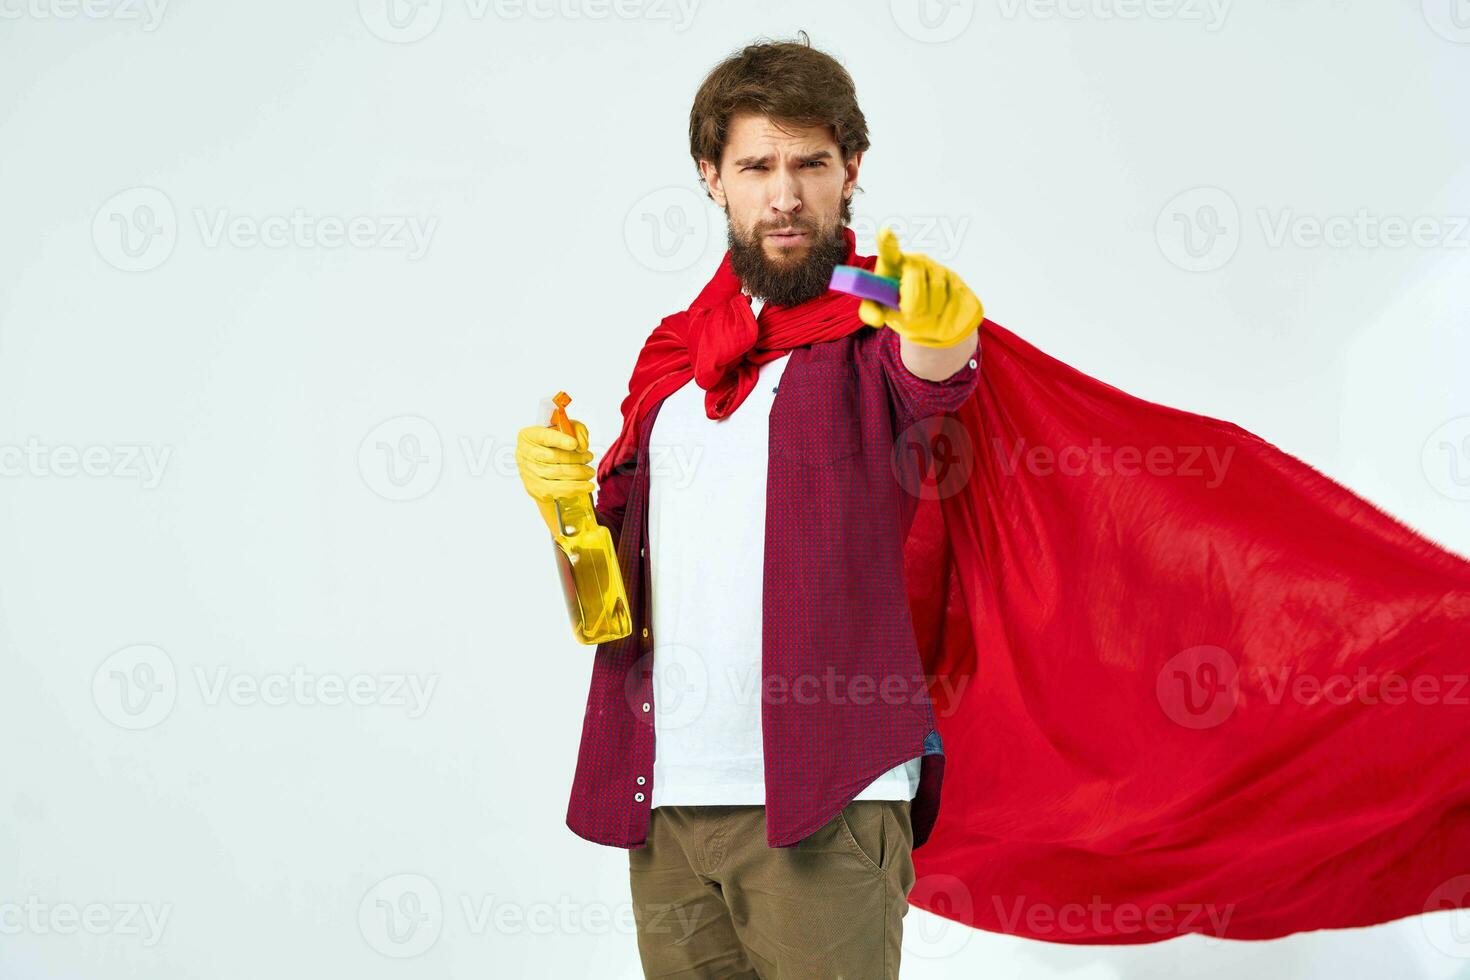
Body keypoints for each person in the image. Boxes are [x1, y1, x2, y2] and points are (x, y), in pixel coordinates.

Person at [516, 35, 982, 979]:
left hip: (828, 793)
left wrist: (943, 336)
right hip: (670, 797)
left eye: (810, 163)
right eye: (757, 165)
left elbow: (933, 383)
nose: (784, 194)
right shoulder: (674, 358)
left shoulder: (877, 328)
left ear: (851, 172)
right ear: (711, 177)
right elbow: (610, 602)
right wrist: (567, 514)